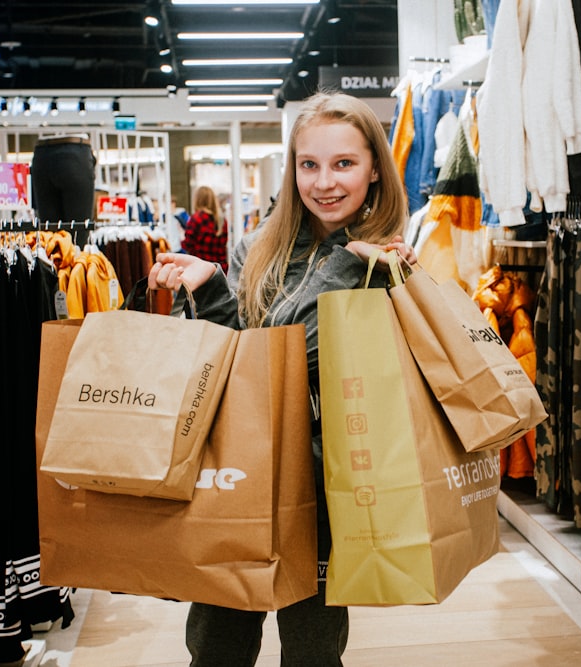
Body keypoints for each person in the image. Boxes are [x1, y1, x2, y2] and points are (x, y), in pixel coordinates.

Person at [148, 91, 418, 666]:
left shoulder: (387, 261)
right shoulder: (256, 248)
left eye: (344, 163)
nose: (325, 182)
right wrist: (208, 290)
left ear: (375, 168)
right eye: (309, 164)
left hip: (326, 483)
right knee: (218, 642)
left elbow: (301, 354)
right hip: (238, 472)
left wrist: (350, 264)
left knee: (314, 649)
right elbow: (238, 361)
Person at [181, 185, 229, 272]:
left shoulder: (196, 218)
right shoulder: (222, 220)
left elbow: (187, 244)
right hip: (220, 270)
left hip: (201, 270)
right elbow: (224, 245)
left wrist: (181, 237)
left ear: (197, 200)